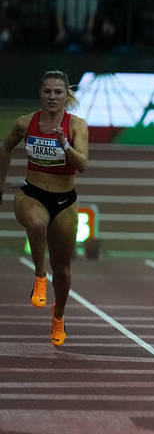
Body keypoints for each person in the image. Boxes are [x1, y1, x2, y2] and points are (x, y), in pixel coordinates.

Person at [0, 70, 90, 346]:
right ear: (39, 93)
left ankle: (58, 316)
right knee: (37, 224)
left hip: (65, 200)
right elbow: (5, 148)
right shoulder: (25, 123)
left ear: (66, 95)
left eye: (58, 92)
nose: (52, 97)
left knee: (62, 270)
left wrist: (65, 145)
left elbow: (83, 165)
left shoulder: (77, 126)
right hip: (31, 192)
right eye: (47, 91)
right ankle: (40, 277)